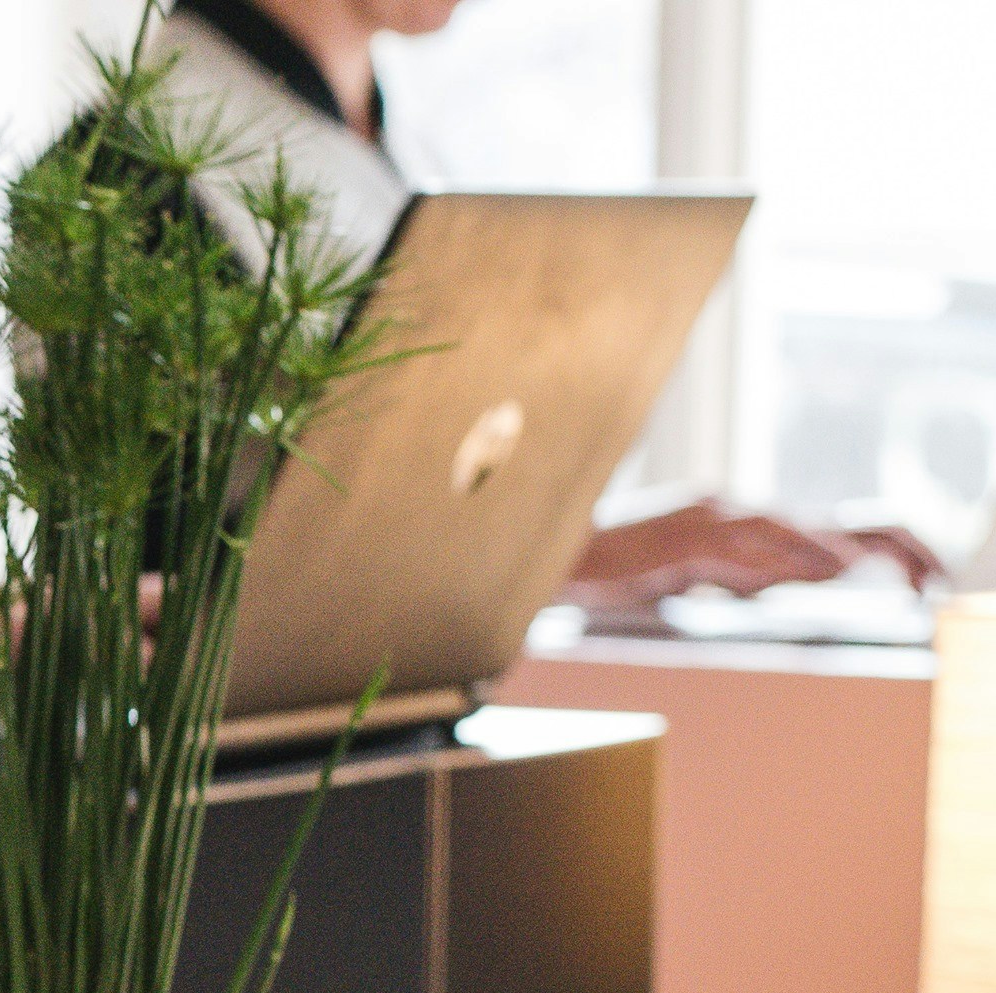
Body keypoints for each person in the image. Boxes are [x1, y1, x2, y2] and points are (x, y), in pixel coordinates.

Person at [143, 0, 945, 607]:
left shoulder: (377, 143)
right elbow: (212, 595)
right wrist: (611, 552)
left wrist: (647, 541)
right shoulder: (143, 176)